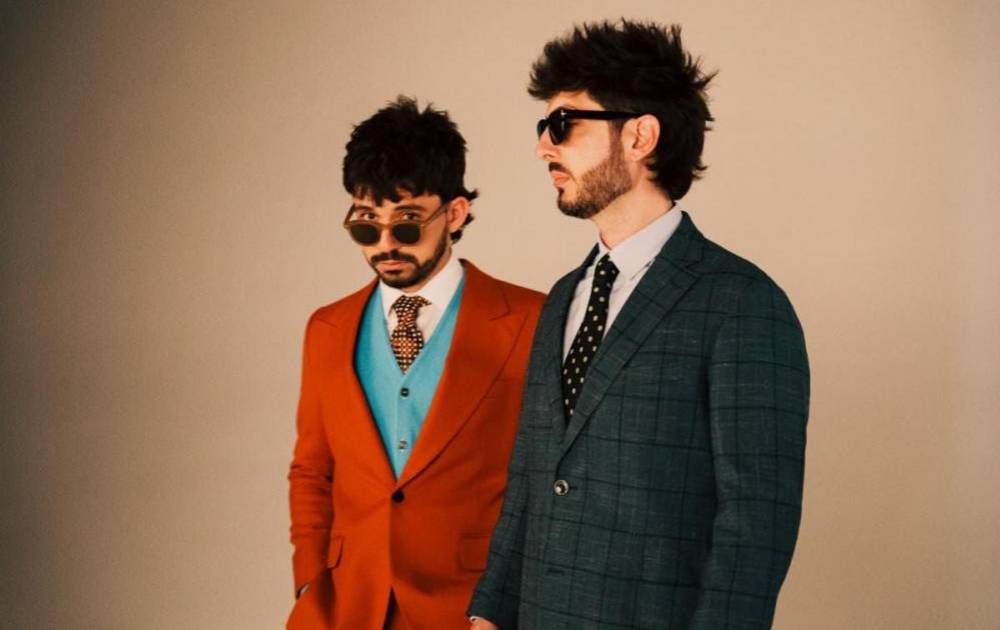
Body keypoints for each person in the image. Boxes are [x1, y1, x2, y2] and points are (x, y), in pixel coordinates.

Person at [468, 20, 810, 629]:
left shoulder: (742, 303)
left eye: (563, 124)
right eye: (542, 128)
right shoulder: (562, 300)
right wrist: (488, 614)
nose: (544, 147)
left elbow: (756, 525)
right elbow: (529, 482)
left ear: (639, 136)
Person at [287, 96, 545, 629]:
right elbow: (312, 470)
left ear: (455, 213)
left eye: (407, 225)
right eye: (366, 226)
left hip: (473, 606)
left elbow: (545, 477)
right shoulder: (327, 328)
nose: (385, 245)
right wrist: (310, 579)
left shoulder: (531, 319)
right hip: (346, 606)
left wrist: (507, 602)